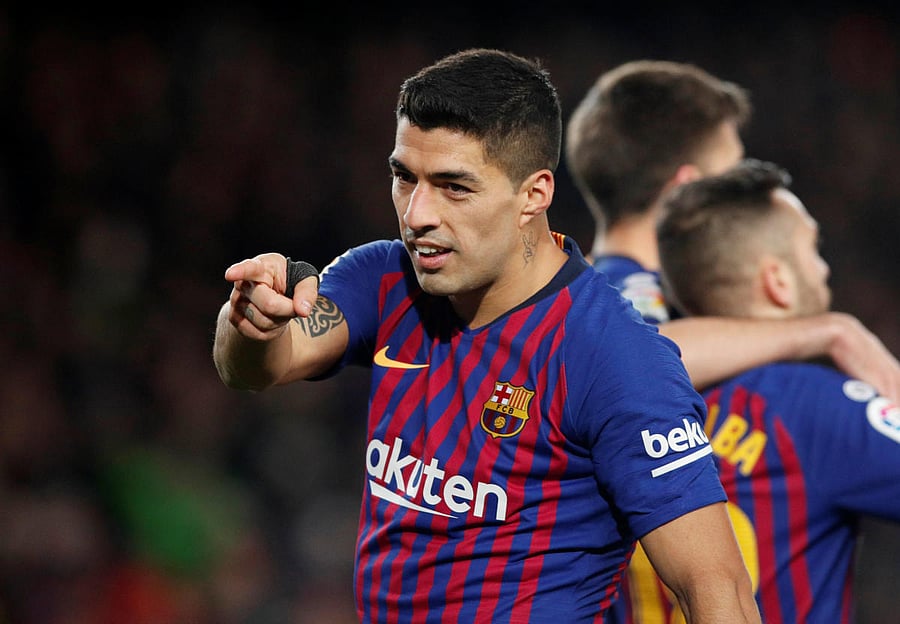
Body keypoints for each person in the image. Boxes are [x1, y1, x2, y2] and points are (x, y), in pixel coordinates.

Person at [212, 49, 760, 622]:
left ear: (534, 195)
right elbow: (254, 368)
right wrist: (250, 319)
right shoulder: (384, 278)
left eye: (454, 187)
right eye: (405, 177)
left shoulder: (613, 355)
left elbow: (719, 593)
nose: (417, 213)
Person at [619, 157, 900, 622]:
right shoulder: (813, 408)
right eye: (814, 249)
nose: (824, 270)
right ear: (778, 281)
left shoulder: (630, 406)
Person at [565, 59, 900, 398]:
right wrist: (830, 332)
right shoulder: (630, 291)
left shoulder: (584, 289)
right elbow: (635, 364)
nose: (744, 189)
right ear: (686, 189)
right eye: (731, 173)